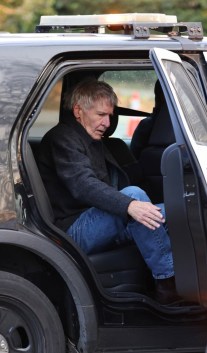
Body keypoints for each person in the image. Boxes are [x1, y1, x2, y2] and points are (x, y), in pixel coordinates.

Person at [37, 78, 180, 305]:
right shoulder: (63, 139)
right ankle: (167, 282)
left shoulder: (94, 140)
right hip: (72, 230)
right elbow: (83, 185)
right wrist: (129, 205)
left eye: (110, 116)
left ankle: (185, 281)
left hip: (97, 221)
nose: (107, 122)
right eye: (101, 115)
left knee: (176, 211)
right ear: (78, 111)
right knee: (134, 196)